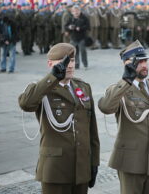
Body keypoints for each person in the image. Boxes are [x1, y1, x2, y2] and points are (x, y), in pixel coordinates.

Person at [18, 43, 100, 194]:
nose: (69, 65)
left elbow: (92, 130)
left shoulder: (83, 87)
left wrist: (94, 162)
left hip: (81, 169)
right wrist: (53, 77)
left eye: (72, 60)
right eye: (63, 61)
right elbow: (26, 104)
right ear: (50, 64)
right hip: (55, 169)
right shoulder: (42, 88)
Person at [98, 40, 149, 194]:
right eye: (139, 62)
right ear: (127, 64)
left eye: (145, 60)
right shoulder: (119, 89)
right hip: (131, 162)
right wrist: (126, 80)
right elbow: (105, 107)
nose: (144, 65)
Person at [65, 5, 89, 69]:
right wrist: (69, 27)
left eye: (77, 11)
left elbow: (88, 26)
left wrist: (80, 28)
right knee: (74, 52)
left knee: (83, 50)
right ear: (72, 12)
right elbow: (66, 26)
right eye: (74, 11)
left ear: (80, 11)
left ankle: (85, 64)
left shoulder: (84, 18)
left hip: (82, 37)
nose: (76, 12)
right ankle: (76, 64)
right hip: (73, 37)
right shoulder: (70, 18)